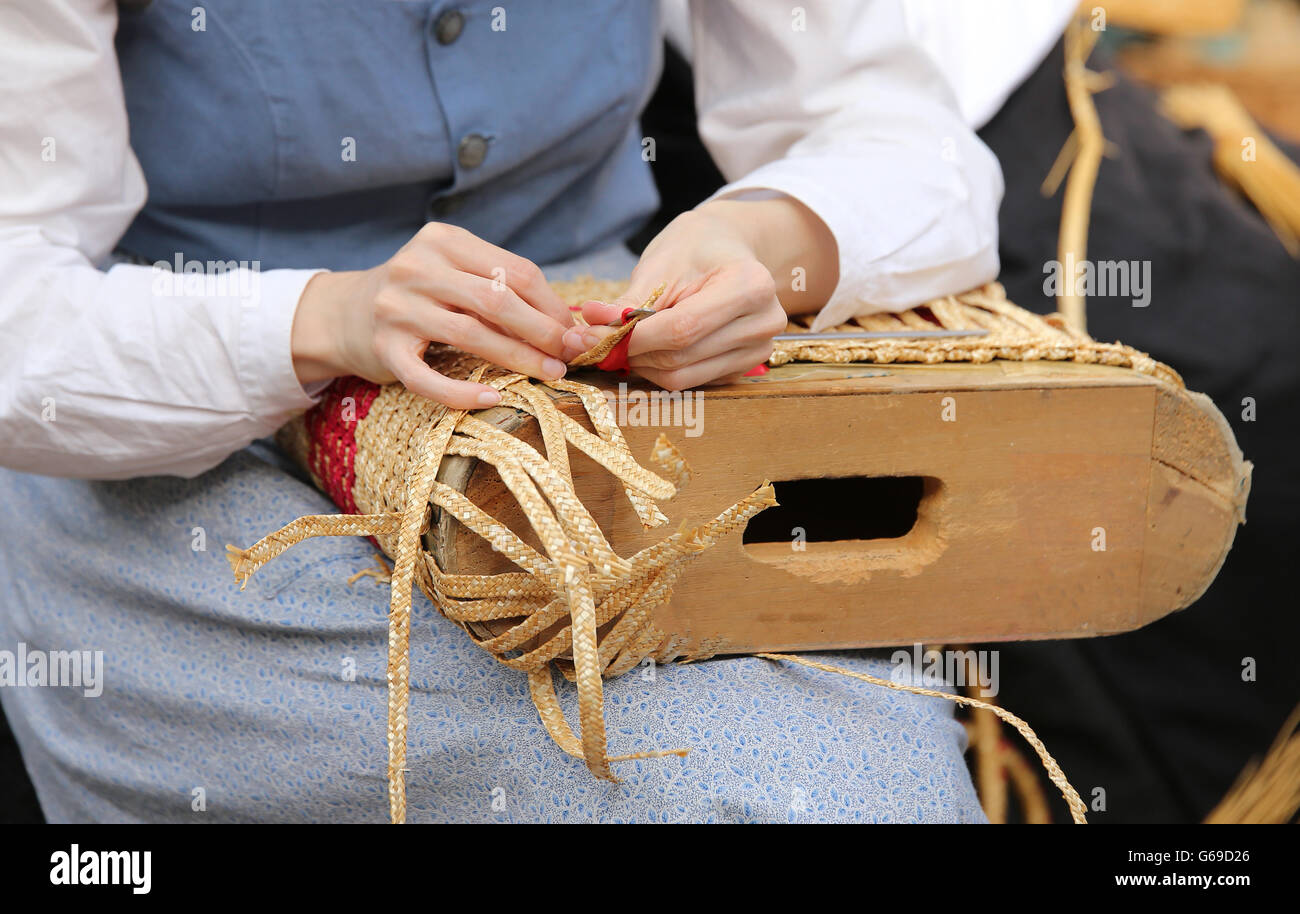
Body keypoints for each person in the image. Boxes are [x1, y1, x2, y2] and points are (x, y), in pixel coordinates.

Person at [0, 0, 1002, 822]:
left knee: (885, 770)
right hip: (169, 420)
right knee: (721, 784)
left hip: (609, 408)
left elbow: (892, 126)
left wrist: (763, 236)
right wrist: (329, 315)